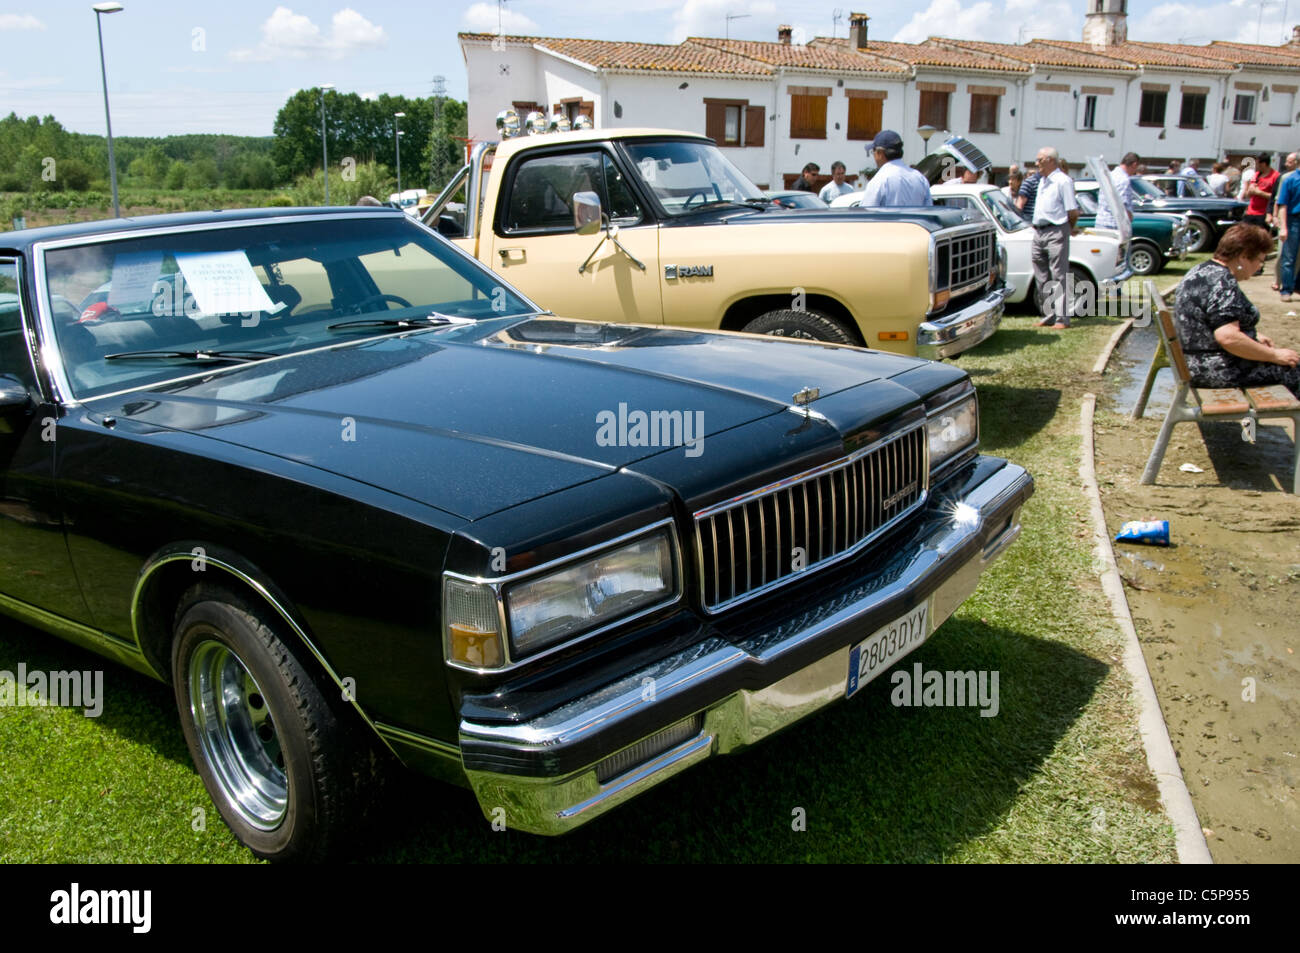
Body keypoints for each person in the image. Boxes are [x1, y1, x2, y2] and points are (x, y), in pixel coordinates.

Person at [1175, 223, 1299, 396]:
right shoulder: (1224, 283)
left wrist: (1251, 337)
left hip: (1194, 363)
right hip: (1215, 369)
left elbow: (1209, 324)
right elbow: (1228, 337)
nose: (1259, 268)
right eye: (1259, 261)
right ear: (1243, 257)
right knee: (1292, 367)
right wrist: (1274, 355)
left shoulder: (1200, 271)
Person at [1030, 146, 1079, 329]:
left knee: (1059, 275)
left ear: (1051, 160)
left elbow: (1072, 212)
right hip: (1039, 231)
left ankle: (1062, 318)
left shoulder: (1063, 181)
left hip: (1056, 230)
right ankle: (1048, 314)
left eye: (1040, 160)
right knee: (1041, 276)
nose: (1037, 164)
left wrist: (1066, 230)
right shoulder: (1043, 181)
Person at [860, 130, 932, 207]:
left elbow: (867, 214)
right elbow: (928, 210)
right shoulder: (920, 178)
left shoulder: (879, 180)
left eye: (873, 152)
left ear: (880, 153)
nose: (874, 156)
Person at [1276, 155, 1300, 300]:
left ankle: (1297, 286)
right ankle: (1286, 290)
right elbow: (1282, 205)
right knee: (1289, 257)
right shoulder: (1290, 180)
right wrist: (1283, 226)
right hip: (1294, 220)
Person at [1096, 152, 1140, 232]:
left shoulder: (1109, 175)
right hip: (1114, 226)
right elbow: (1122, 206)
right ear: (1134, 164)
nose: (1135, 172)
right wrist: (1129, 218)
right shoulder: (1123, 180)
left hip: (1100, 222)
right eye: (1136, 168)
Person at [1243, 153, 1278, 230]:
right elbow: (1248, 195)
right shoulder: (1256, 175)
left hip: (1263, 214)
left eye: (1257, 164)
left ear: (1263, 164)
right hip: (1250, 212)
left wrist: (1260, 193)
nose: (1255, 166)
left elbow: (1276, 197)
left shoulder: (1275, 176)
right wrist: (1250, 190)